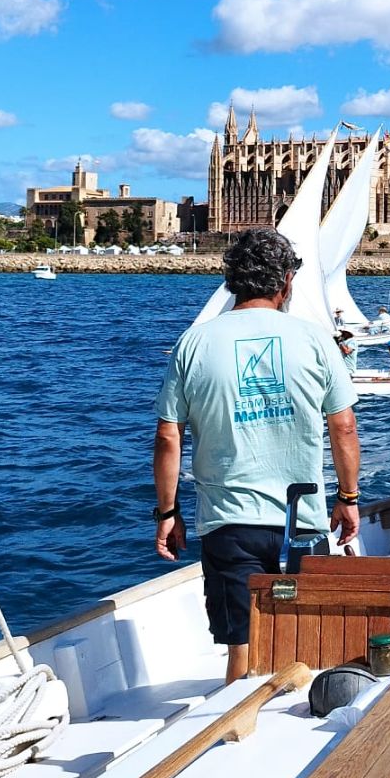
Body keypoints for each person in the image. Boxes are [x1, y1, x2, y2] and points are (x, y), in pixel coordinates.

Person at [153, 228, 361, 683]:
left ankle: (236, 734)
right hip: (301, 520)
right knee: (309, 645)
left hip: (229, 522)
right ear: (286, 282)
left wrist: (167, 512)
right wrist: (348, 497)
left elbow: (170, 436)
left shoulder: (193, 343)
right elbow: (343, 426)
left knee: (241, 653)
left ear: (231, 281)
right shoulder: (317, 340)